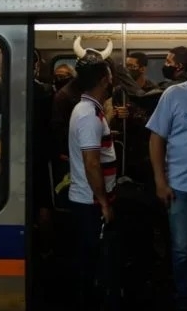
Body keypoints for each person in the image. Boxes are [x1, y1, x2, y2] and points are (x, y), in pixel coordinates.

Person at [146, 48, 187, 311]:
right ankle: (184, 300)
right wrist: (160, 182)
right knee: (183, 250)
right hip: (180, 189)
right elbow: (156, 139)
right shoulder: (173, 95)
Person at [68, 50, 120, 311]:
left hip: (91, 201)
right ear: (102, 80)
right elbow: (91, 163)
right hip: (90, 204)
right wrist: (103, 202)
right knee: (92, 263)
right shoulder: (88, 114)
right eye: (110, 77)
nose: (112, 82)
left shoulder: (90, 110)